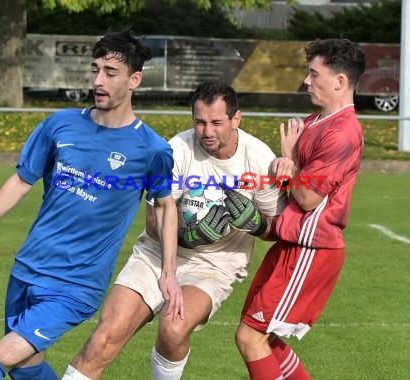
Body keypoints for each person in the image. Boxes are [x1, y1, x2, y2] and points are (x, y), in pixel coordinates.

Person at [0, 29, 183, 380]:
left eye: (110, 73)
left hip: (76, 284)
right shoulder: (60, 125)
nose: (98, 81)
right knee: (27, 370)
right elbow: (21, 180)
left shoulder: (151, 149)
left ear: (134, 80)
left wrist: (168, 273)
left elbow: (164, 207)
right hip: (28, 268)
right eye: (95, 70)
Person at [62, 79, 288, 380]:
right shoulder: (175, 150)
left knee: (174, 326)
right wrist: (190, 236)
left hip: (215, 265)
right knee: (105, 337)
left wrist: (256, 223)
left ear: (236, 119)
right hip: (158, 253)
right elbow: (154, 223)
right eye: (200, 122)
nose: (207, 132)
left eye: (217, 123)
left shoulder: (260, 159)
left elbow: (280, 228)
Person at [234, 38, 366, 380]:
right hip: (292, 242)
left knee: (251, 338)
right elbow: (291, 186)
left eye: (313, 73)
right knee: (261, 336)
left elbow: (307, 198)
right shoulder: (317, 120)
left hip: (312, 247)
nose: (306, 81)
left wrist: (289, 164)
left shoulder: (343, 132)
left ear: (339, 81)